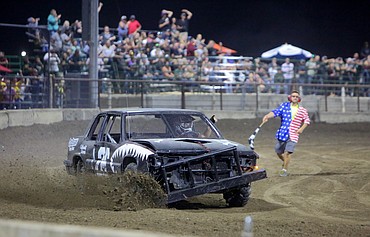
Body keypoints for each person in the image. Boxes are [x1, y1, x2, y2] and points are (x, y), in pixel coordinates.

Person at [262, 90, 310, 176]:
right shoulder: (284, 106)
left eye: (296, 96)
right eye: (293, 96)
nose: (295, 98)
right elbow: (276, 112)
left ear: (299, 99)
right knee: (278, 152)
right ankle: (285, 162)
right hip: (282, 133)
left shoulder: (302, 110)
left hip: (293, 135)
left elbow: (307, 120)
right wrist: (267, 116)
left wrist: (301, 129)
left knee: (287, 152)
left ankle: (284, 169)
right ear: (290, 98)